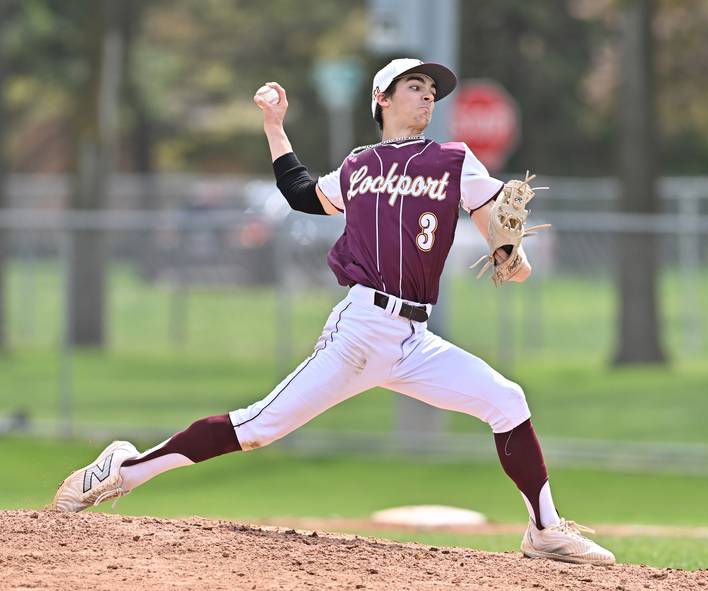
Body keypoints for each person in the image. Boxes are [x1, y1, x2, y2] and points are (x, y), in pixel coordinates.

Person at [51, 58, 614, 566]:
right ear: (382, 100)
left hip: (414, 338)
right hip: (361, 330)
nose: (426, 97)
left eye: (430, 91)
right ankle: (122, 470)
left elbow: (494, 219)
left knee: (507, 399)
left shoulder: (452, 159)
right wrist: (275, 125)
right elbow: (299, 192)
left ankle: (545, 530)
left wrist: (509, 254)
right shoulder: (357, 165)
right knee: (258, 427)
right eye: (413, 87)